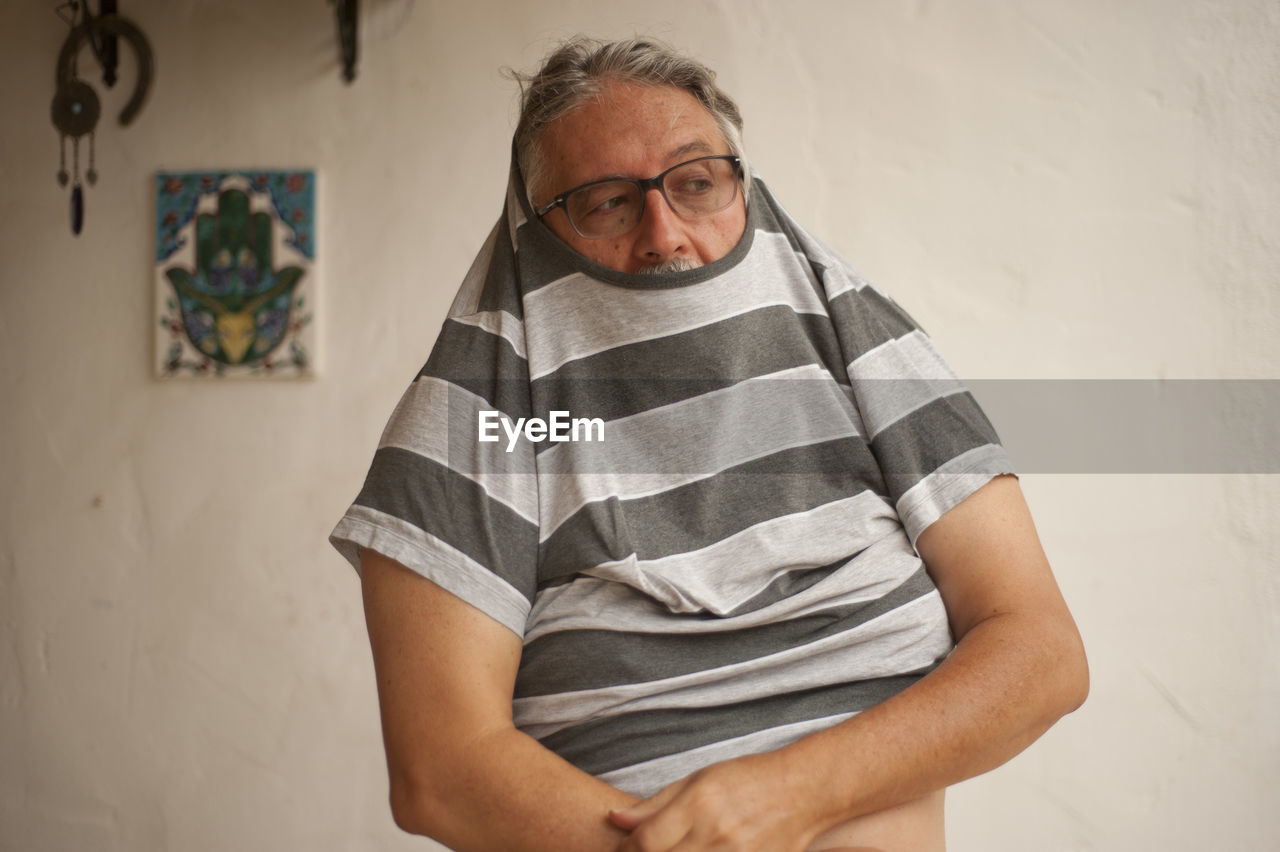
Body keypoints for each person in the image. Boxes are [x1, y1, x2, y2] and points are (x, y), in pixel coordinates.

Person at [331, 36, 1089, 851]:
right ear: (535, 234)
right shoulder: (483, 424)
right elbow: (442, 773)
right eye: (608, 201)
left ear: (745, 189)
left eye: (695, 183)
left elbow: (1041, 653)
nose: (662, 231)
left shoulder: (865, 359)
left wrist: (792, 795)